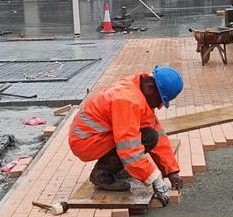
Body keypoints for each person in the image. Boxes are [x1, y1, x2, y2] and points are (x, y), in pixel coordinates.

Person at [69, 66, 185, 205]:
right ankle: (101, 174)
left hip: (98, 136)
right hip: (85, 142)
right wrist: (154, 178)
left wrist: (171, 170)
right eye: (159, 100)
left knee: (151, 135)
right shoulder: (127, 101)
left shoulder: (139, 90)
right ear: (149, 88)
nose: (158, 105)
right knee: (141, 139)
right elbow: (129, 150)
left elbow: (158, 136)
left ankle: (116, 169)